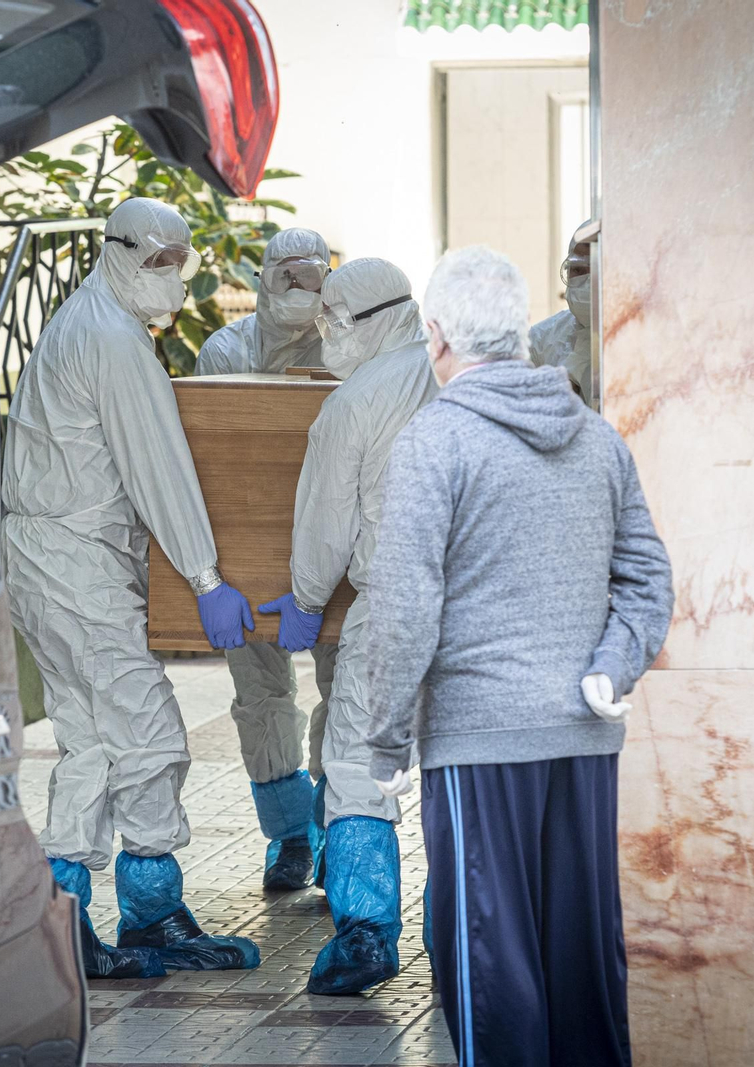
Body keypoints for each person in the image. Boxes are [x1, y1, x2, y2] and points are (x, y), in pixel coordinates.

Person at [366, 246, 673, 1066]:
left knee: (488, 967)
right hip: (583, 736)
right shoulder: (597, 438)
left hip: (479, 742)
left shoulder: (435, 441)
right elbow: (648, 577)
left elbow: (404, 609)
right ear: (520, 333)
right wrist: (610, 666)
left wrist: (386, 741)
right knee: (582, 971)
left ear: (436, 336)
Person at [3, 197, 262, 980]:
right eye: (156, 262)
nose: (171, 278)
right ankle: (151, 912)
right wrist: (206, 577)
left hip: (50, 555)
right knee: (148, 733)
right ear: (117, 253)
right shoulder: (113, 340)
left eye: (179, 263)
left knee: (90, 739)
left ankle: (65, 921)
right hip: (74, 563)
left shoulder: (86, 319)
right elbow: (159, 467)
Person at [257, 258, 438, 995]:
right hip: (479, 609)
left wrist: (305, 601)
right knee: (461, 768)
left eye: (335, 318)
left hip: (392, 605)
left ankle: (365, 933)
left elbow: (326, 524)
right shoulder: (463, 374)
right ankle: (464, 935)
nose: (324, 330)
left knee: (359, 763)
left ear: (381, 316)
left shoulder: (354, 401)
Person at [195, 226, 338, 892]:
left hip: (330, 545)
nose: (298, 288)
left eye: (312, 276)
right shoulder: (224, 351)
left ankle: (339, 830)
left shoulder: (345, 345)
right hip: (247, 546)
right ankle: (290, 836)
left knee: (346, 688)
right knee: (259, 694)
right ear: (262, 279)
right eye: (286, 276)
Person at [528, 220, 593, 402]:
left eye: (595, 271)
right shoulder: (541, 340)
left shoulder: (638, 340)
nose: (585, 282)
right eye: (577, 270)